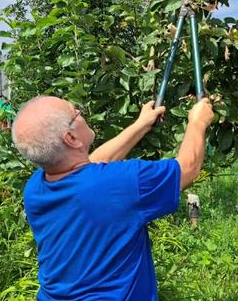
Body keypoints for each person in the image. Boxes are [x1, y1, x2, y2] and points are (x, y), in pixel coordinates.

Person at [11, 96, 213, 300]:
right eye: (76, 113)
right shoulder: (123, 183)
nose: (81, 114)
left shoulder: (36, 187)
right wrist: (198, 121)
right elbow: (188, 167)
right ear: (71, 138)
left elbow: (92, 163)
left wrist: (140, 126)